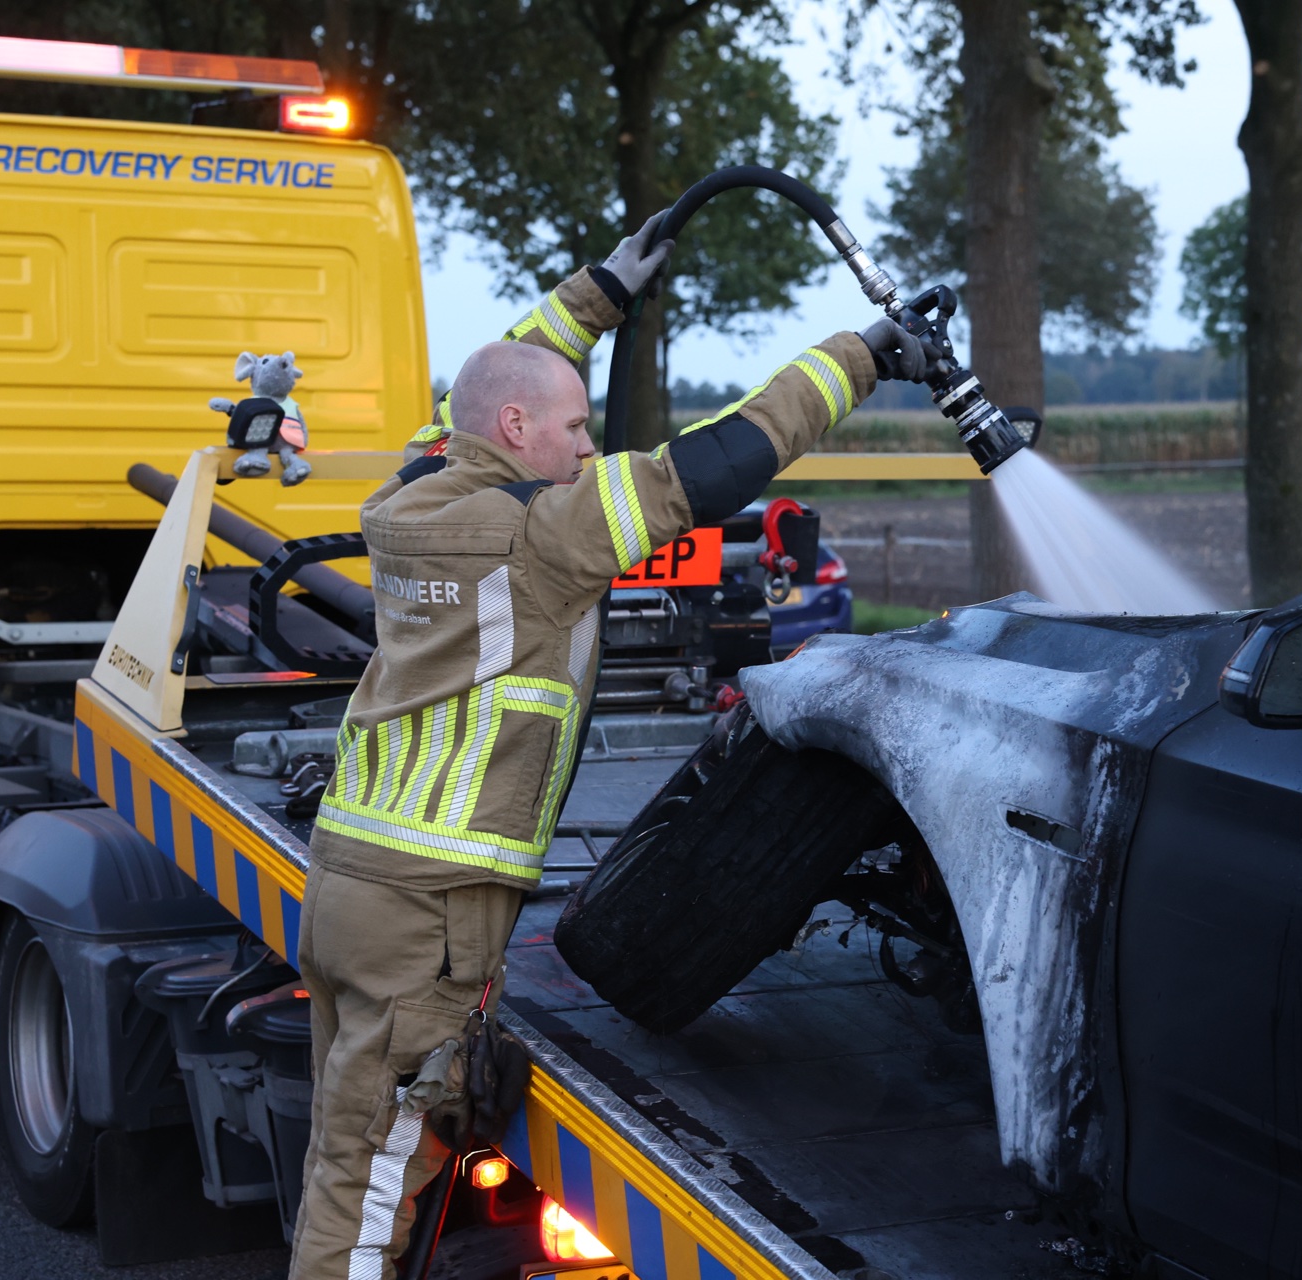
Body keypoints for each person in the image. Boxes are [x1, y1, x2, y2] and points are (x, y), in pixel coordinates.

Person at [287, 212, 931, 1280]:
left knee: (344, 1152)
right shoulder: (542, 535)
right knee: (370, 1188)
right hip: (430, 916)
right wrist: (863, 355)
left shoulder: (406, 494)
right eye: (576, 427)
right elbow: (712, 463)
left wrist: (596, 296)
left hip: (351, 883)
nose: (589, 447)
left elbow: (487, 382)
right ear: (515, 428)